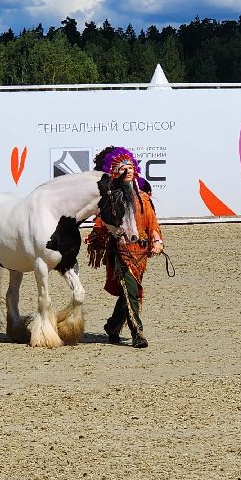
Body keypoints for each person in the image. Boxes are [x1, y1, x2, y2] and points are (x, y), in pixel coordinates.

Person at [85, 146, 163, 349]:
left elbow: (152, 224)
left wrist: (157, 241)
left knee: (131, 292)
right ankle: (137, 333)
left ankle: (112, 326)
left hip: (141, 252)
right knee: (130, 290)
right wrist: (96, 237)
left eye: (130, 167)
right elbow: (101, 224)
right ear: (115, 173)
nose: (128, 171)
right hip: (121, 251)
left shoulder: (144, 198)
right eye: (122, 168)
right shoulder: (110, 201)